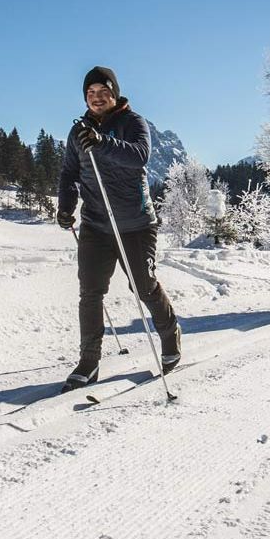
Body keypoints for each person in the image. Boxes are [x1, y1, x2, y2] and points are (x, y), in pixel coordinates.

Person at [58, 66, 180, 388]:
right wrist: (66, 206)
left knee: (143, 286)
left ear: (114, 93)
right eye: (91, 94)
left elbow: (139, 156)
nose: (97, 99)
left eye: (103, 92)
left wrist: (101, 142)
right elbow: (69, 173)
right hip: (96, 225)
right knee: (90, 292)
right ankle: (89, 362)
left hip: (136, 224)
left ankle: (170, 333)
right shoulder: (77, 132)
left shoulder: (132, 122)